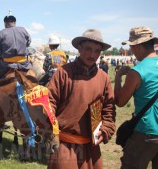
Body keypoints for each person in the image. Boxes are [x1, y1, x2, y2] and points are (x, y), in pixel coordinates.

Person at [47, 29, 116, 168]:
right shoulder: (63, 73)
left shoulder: (104, 78)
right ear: (79, 48)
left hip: (92, 148)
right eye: (88, 49)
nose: (92, 55)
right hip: (65, 146)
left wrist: (106, 129)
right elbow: (49, 103)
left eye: (97, 51)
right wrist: (50, 130)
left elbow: (109, 109)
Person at [114, 26, 158, 168]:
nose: (132, 51)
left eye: (132, 47)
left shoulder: (137, 71)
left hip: (146, 131)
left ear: (138, 46)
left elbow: (120, 102)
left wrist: (118, 76)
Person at [0, 14, 32, 80]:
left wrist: (1, 57)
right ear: (15, 22)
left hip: (7, 64)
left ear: (5, 23)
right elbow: (28, 42)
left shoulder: (0, 33)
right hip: (24, 63)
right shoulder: (23, 30)